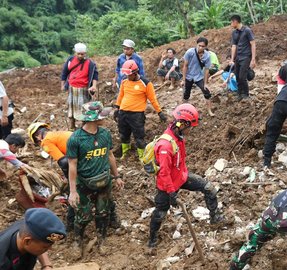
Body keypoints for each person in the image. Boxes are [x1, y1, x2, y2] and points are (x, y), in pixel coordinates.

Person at [148, 104, 224, 248]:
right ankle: (152, 239)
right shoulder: (165, 145)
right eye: (190, 126)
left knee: (209, 188)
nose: (191, 130)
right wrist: (171, 192)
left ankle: (215, 217)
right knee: (161, 213)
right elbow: (164, 173)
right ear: (182, 124)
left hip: (180, 177)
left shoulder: (178, 135)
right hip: (167, 185)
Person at [67, 101, 124, 256]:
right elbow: (72, 165)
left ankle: (102, 240)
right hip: (84, 183)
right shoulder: (76, 139)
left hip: (104, 181)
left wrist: (116, 176)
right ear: (93, 118)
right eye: (101, 115)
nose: (104, 118)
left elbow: (110, 155)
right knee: (83, 215)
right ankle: (77, 241)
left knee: (103, 212)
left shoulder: (105, 134)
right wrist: (72, 191)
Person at [114, 60, 167, 160]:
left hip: (137, 115)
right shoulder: (124, 81)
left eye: (129, 75)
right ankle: (125, 153)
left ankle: (142, 157)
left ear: (135, 73)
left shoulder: (146, 83)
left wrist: (159, 112)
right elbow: (121, 95)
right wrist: (117, 108)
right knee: (124, 135)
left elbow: (153, 99)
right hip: (123, 113)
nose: (127, 77)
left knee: (139, 137)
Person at [0, 208, 66, 270]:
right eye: (45, 247)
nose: (50, 249)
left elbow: (40, 239)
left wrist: (46, 265)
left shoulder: (28, 227)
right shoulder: (3, 261)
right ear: (27, 241)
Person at [60, 43, 98, 130]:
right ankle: (72, 126)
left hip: (83, 89)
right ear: (75, 53)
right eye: (78, 54)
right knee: (71, 107)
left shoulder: (90, 63)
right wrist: (62, 85)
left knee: (84, 108)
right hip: (72, 88)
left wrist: (94, 86)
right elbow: (64, 72)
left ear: (85, 53)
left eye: (82, 54)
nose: (80, 56)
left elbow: (95, 75)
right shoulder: (70, 60)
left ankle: (84, 127)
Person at [182, 37, 215, 116]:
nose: (200, 47)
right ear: (196, 44)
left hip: (198, 76)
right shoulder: (190, 52)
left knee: (206, 91)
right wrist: (183, 80)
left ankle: (209, 110)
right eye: (199, 45)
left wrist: (205, 83)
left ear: (206, 47)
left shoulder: (207, 55)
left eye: (203, 46)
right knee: (186, 94)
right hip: (189, 76)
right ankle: (184, 111)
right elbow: (185, 66)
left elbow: (207, 69)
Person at [230, 15, 257, 101]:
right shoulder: (234, 33)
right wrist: (232, 59)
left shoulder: (247, 30)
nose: (231, 24)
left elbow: (253, 44)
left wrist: (253, 59)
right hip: (238, 57)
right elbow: (234, 46)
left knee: (242, 76)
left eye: (231, 22)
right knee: (237, 76)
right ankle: (239, 93)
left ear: (235, 22)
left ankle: (246, 94)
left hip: (246, 57)